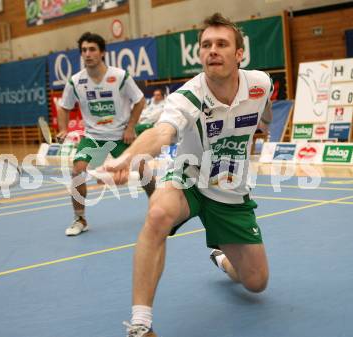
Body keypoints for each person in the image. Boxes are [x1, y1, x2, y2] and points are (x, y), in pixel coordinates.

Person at [102, 13, 273, 337]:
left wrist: (262, 125)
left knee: (256, 283)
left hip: (230, 192)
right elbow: (162, 133)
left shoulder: (260, 84)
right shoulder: (188, 96)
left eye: (222, 44)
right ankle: (140, 324)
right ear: (200, 55)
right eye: (206, 45)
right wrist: (126, 158)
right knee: (158, 214)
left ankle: (222, 258)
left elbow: (266, 106)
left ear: (239, 54)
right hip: (189, 180)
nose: (213, 50)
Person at [57, 32, 156, 236]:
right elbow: (63, 107)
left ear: (102, 53)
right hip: (93, 138)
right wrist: (63, 128)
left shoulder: (119, 77)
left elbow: (140, 101)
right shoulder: (75, 81)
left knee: (143, 168)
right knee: (77, 171)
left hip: (121, 135)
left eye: (92, 49)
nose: (87, 54)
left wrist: (130, 128)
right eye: (84, 50)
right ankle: (79, 219)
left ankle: (158, 207)